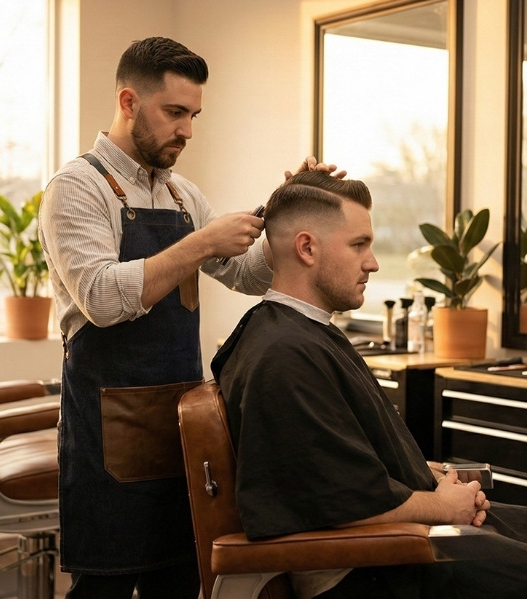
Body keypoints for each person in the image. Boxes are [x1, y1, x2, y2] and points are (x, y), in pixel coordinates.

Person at [38, 36, 342, 598]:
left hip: (182, 429)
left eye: (193, 115)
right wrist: (202, 242)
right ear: (129, 102)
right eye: (174, 112)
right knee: (103, 589)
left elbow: (247, 275)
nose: (187, 130)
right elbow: (100, 298)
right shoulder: (76, 188)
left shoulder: (184, 197)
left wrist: (283, 207)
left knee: (179, 583)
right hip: (106, 435)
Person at [211, 171, 527, 598]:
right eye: (359, 245)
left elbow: (344, 460)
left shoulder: (304, 333)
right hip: (378, 569)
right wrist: (440, 505)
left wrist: (432, 476)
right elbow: (337, 498)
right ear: (306, 248)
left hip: (400, 542)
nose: (373, 263)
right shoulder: (284, 355)